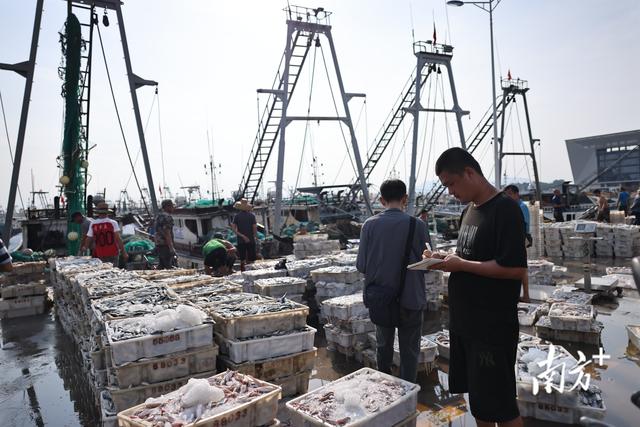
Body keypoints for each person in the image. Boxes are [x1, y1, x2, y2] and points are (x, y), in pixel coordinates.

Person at [425, 147, 527, 427]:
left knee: (503, 407)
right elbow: (470, 257)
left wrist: (462, 266)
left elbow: (515, 268)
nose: (450, 192)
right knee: (480, 404)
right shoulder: (469, 211)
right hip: (466, 325)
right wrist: (442, 259)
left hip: (492, 329)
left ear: (469, 173)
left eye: (451, 184)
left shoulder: (506, 210)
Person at [356, 179, 429, 383]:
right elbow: (429, 263)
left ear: (381, 200)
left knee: (383, 347)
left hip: (381, 299)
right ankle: (408, 393)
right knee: (410, 351)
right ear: (405, 199)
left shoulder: (369, 225)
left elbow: (361, 265)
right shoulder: (418, 225)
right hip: (412, 299)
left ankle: (385, 389)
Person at [504, 184, 531, 303]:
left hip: (520, 239)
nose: (508, 196)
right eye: (506, 194)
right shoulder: (512, 206)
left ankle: (526, 295)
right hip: (513, 239)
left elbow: (522, 226)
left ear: (516, 194)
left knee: (522, 267)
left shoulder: (522, 207)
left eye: (510, 193)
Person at [231, 198, 257, 271]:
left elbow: (233, 228)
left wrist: (242, 236)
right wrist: (255, 237)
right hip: (251, 239)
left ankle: (243, 273)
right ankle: (251, 273)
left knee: (242, 259)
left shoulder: (236, 216)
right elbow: (254, 228)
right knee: (251, 259)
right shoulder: (252, 216)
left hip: (240, 240)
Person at [154, 199, 176, 269]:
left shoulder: (158, 216)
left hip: (159, 244)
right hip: (165, 245)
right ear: (167, 207)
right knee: (169, 266)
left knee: (161, 264)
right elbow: (167, 233)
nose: (173, 208)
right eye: (172, 206)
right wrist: (171, 247)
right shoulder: (168, 217)